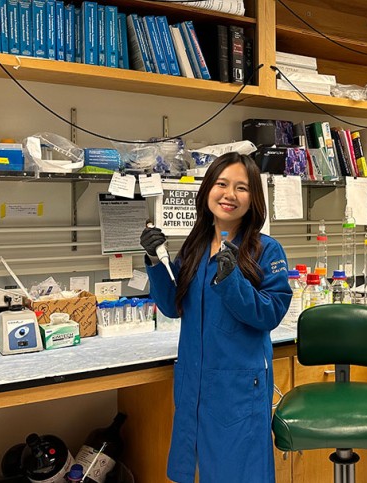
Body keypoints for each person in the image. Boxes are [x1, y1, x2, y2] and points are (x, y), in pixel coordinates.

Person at [141, 152, 292, 483]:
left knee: (239, 471)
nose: (229, 194)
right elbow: (171, 305)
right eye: (222, 184)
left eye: (242, 187)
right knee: (196, 469)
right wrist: (154, 259)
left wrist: (231, 279)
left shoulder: (266, 250)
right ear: (207, 189)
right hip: (195, 382)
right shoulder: (194, 249)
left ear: (253, 199)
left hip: (238, 387)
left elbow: (270, 312)